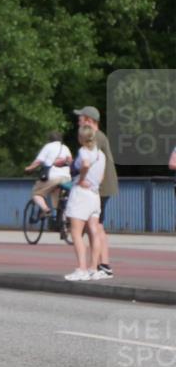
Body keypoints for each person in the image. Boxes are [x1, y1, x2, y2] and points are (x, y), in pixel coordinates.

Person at [72, 107, 118, 277]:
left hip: (100, 186)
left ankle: (103, 265)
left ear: (89, 120)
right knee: (97, 226)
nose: (79, 121)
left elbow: (88, 161)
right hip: (102, 185)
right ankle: (100, 265)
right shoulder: (100, 136)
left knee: (96, 227)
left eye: (81, 118)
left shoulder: (95, 137)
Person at [64, 125, 106, 281]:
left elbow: (86, 165)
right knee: (94, 231)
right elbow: (101, 178)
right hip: (95, 195)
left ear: (81, 138)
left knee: (76, 232)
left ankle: (81, 268)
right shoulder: (101, 154)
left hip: (81, 194)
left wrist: (81, 179)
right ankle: (93, 268)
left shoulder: (83, 151)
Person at [24, 130, 72, 218]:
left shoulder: (48, 146)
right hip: (66, 178)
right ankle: (63, 218)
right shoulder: (65, 147)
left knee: (36, 193)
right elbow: (70, 161)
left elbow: (39, 161)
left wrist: (29, 168)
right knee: (59, 198)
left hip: (53, 177)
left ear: (50, 139)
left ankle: (46, 210)